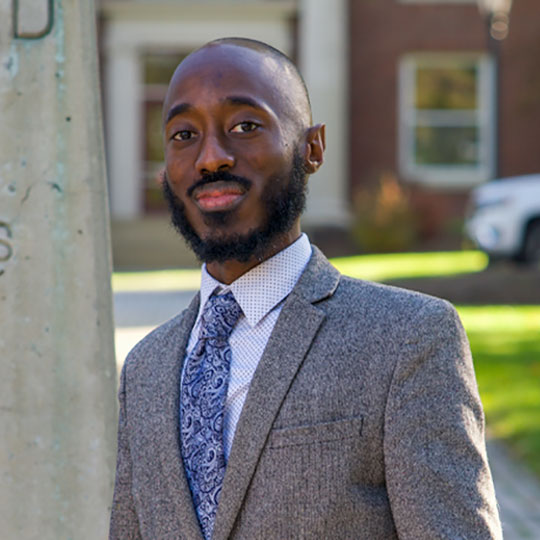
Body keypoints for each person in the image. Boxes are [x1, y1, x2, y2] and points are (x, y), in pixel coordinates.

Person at [109, 37, 502, 539]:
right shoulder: (146, 366)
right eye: (184, 134)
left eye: (245, 126)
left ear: (312, 148)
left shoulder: (408, 339)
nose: (210, 158)